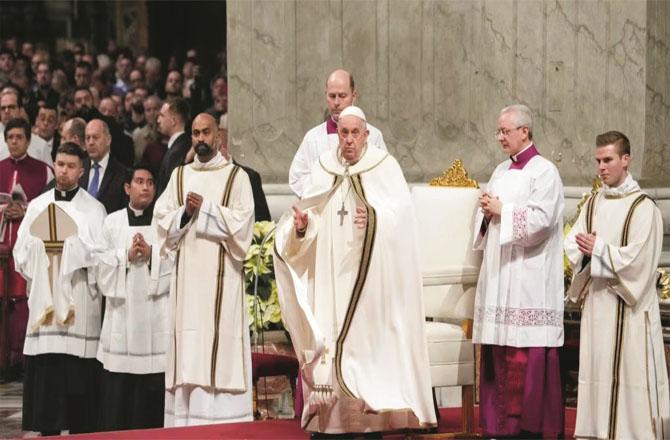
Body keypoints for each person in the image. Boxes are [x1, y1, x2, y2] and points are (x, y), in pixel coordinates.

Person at [274, 105, 436, 435]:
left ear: (366, 134)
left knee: (366, 346)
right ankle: (331, 423)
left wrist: (373, 218)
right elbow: (314, 213)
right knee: (331, 339)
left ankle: (371, 421)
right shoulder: (324, 168)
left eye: (354, 133)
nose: (348, 140)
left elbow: (403, 219)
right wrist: (303, 227)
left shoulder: (384, 166)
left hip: (371, 280)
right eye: (343, 133)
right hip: (331, 276)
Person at [565, 131, 670, 439]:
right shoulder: (594, 202)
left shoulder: (645, 208)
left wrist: (598, 249)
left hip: (630, 311)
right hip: (598, 306)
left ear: (626, 160)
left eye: (608, 160)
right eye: (598, 161)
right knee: (597, 376)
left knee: (630, 380)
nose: (601, 167)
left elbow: (639, 262)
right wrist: (586, 251)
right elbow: (574, 244)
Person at [154, 112, 255, 426]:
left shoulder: (237, 177)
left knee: (217, 351)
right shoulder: (179, 176)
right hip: (187, 286)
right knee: (188, 348)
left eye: (206, 133)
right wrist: (185, 214)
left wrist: (206, 210)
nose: (200, 139)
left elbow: (243, 226)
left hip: (222, 282)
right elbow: (162, 220)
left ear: (219, 137)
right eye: (195, 133)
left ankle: (220, 425)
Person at [472, 104, 564, 438]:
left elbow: (542, 222)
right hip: (500, 277)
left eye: (505, 131)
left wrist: (502, 210)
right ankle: (497, 428)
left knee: (526, 354)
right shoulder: (499, 171)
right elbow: (487, 220)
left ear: (524, 131)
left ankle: (527, 428)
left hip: (528, 280)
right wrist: (485, 212)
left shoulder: (545, 172)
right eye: (498, 131)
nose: (499, 137)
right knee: (499, 350)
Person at [14, 142, 106, 435]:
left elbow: (102, 256)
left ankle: (79, 425)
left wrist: (71, 249)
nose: (63, 171)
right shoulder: (38, 206)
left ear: (82, 170)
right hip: (46, 302)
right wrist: (44, 248)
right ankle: (47, 424)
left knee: (76, 369)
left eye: (70, 166)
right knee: (49, 366)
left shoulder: (94, 209)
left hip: (78, 300)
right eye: (60, 164)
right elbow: (21, 252)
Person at [96, 165, 172, 431]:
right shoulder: (112, 222)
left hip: (155, 319)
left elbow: (175, 265)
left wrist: (151, 254)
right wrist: (125, 257)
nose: (145, 187)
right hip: (121, 318)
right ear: (127, 188)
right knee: (120, 395)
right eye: (139, 181)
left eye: (150, 182)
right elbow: (100, 265)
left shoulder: (164, 223)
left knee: (150, 396)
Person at [0, 118, 53, 381]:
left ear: (29, 140)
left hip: (28, 248)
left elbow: (50, 208)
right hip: (2, 249)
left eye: (19, 137)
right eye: (10, 137)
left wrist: (24, 209)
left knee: (24, 303)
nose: (14, 142)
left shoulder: (43, 171)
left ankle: (22, 359)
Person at [288, 69, 387, 198]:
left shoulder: (373, 136)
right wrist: (322, 189)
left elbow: (384, 178)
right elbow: (297, 178)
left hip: (360, 212)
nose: (336, 102)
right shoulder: (312, 138)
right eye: (332, 96)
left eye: (342, 96)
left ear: (354, 95)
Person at [80, 119, 130, 214]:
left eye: (95, 137)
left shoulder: (123, 174)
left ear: (108, 140)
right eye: (87, 138)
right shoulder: (78, 168)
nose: (91, 142)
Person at [0, 88, 52, 167]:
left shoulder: (41, 145)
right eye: (3, 108)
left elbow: (50, 176)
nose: (6, 111)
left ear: (20, 110)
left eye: (11, 107)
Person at [155, 97, 190, 196]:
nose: (158, 120)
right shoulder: (180, 146)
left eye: (162, 116)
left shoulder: (178, 150)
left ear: (173, 120)